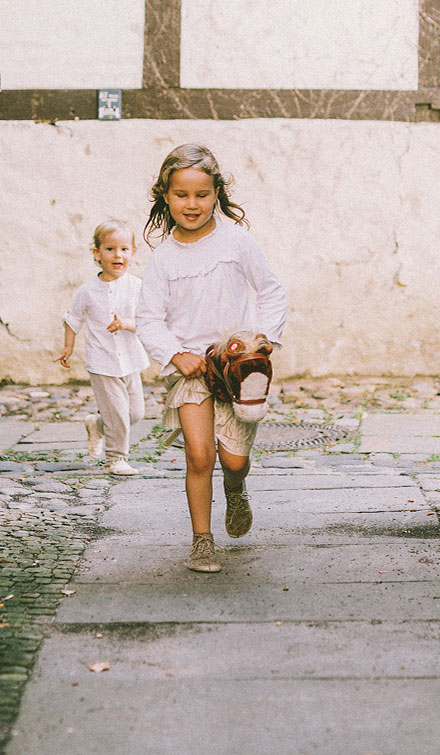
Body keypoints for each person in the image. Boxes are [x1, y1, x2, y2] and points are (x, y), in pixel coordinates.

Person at [136, 143, 286, 573]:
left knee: (233, 460)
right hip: (190, 370)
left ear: (216, 194)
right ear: (165, 196)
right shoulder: (163, 258)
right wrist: (174, 354)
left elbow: (272, 291)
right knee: (199, 456)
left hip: (236, 367)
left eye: (201, 194)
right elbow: (148, 318)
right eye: (181, 194)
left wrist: (265, 339)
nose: (192, 204)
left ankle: (236, 488)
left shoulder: (237, 242)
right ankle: (202, 541)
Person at [55, 220, 149, 476]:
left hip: (130, 359)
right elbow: (72, 318)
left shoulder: (138, 287)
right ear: (97, 253)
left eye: (124, 249)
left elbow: (148, 319)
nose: (117, 254)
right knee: (118, 414)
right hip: (103, 362)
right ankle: (115, 459)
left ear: (132, 253)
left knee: (136, 413)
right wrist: (67, 348)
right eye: (110, 249)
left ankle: (98, 423)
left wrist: (127, 324)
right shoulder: (87, 291)